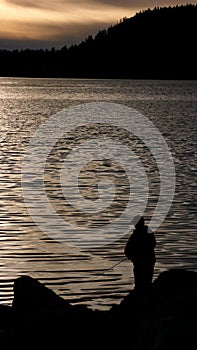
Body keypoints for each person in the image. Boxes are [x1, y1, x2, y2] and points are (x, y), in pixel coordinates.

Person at [124, 215, 156, 293]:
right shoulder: (149, 233)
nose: (134, 226)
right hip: (148, 261)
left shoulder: (135, 235)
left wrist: (132, 257)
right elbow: (153, 244)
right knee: (147, 283)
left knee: (140, 284)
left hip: (140, 262)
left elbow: (127, 250)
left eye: (135, 224)